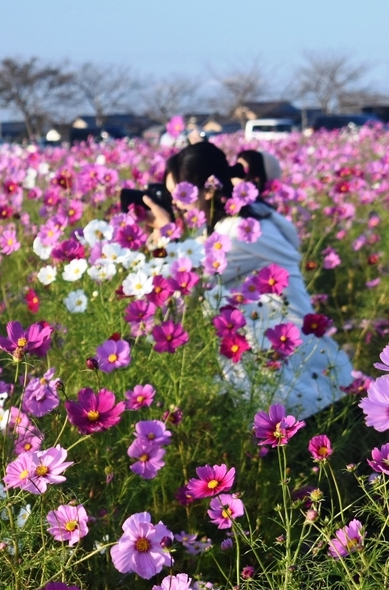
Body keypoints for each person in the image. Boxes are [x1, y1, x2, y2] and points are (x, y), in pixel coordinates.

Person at [143, 141, 351, 418]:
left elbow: (185, 284)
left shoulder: (237, 233)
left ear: (208, 188)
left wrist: (164, 240)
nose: (176, 203)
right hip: (291, 353)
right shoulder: (249, 217)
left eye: (181, 193)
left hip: (291, 362)